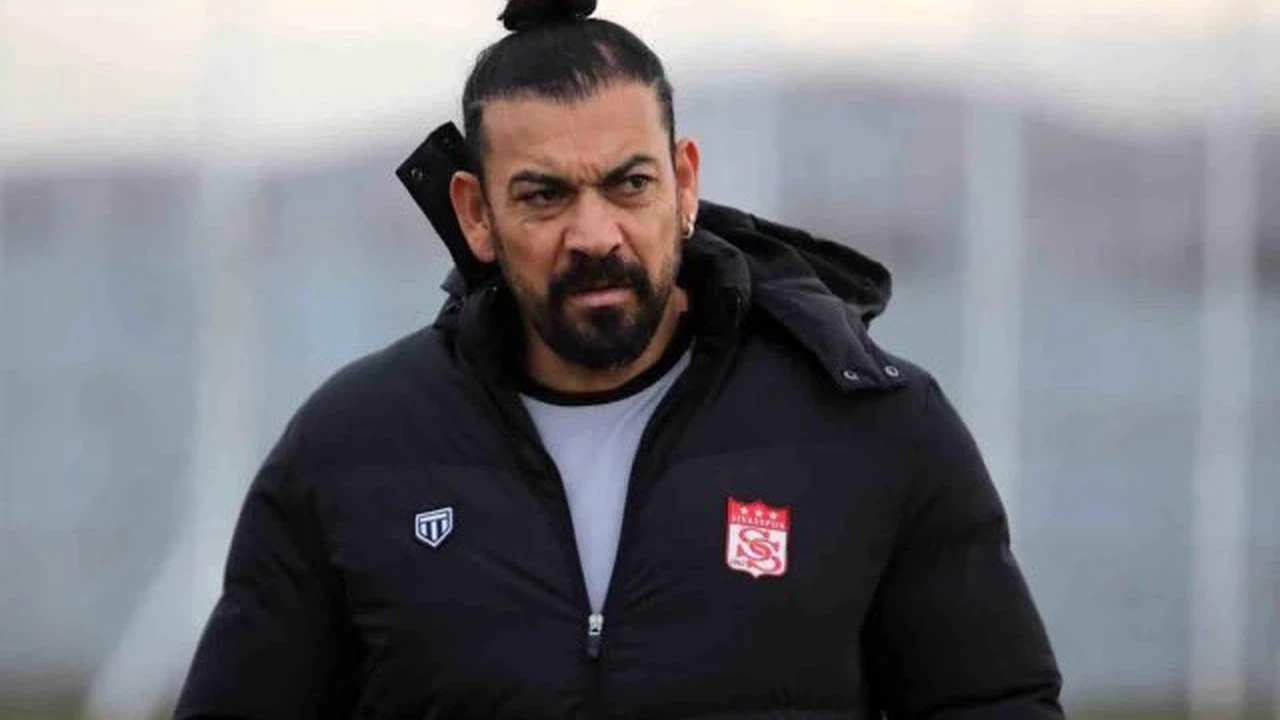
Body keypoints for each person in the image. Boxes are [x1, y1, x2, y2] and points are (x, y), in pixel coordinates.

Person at [174, 0, 1064, 717]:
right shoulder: (349, 450)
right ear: (475, 214)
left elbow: (992, 703)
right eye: (544, 196)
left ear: (684, 182)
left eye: (629, 184)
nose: (594, 234)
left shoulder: (875, 428)